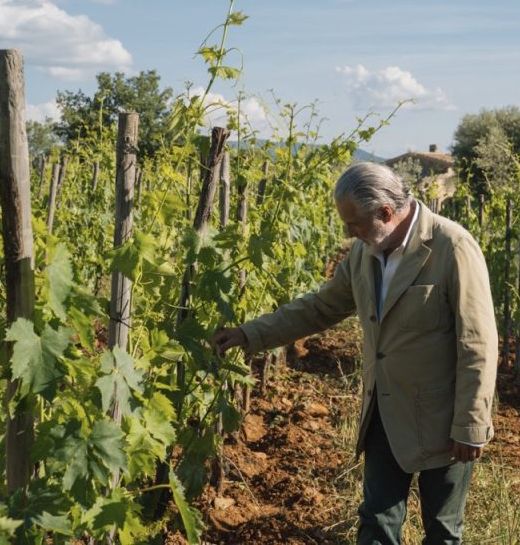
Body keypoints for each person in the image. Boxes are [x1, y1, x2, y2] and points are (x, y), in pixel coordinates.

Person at [211, 162, 498, 544]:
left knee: (443, 532)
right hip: (384, 410)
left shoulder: (452, 247)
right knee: (376, 522)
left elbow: (477, 341)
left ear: (385, 212)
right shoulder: (365, 254)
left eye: (354, 224)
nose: (349, 233)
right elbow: (319, 307)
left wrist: (471, 424)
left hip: (442, 420)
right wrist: (251, 334)